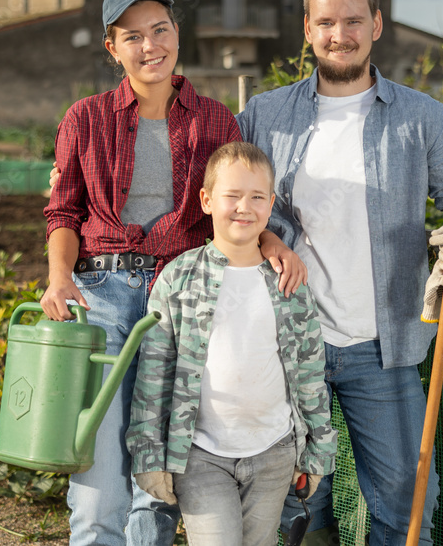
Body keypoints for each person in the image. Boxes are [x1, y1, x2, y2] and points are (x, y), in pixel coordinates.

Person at [237, 0, 443, 546]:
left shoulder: (420, 116)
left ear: (376, 24)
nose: (340, 34)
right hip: (289, 342)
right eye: (327, 22)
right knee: (298, 505)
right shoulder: (265, 114)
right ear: (307, 28)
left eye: (354, 20)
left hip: (385, 348)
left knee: (406, 509)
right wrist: (269, 237)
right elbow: (223, 200)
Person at [42, 0, 304, 545]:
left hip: (183, 301)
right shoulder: (84, 119)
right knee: (96, 472)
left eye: (159, 29)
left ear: (177, 34)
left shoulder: (214, 120)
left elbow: (235, 201)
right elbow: (62, 212)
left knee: (156, 476)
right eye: (132, 36)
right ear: (113, 48)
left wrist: (272, 242)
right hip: (104, 294)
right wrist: (59, 277)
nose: (150, 45)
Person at [126, 141, 336, 546]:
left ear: (271, 202)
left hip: (275, 453)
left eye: (257, 197)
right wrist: (149, 455)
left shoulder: (287, 281)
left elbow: (309, 371)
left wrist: (317, 451)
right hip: (201, 454)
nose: (245, 207)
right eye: (232, 196)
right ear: (206, 200)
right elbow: (153, 372)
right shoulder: (178, 278)